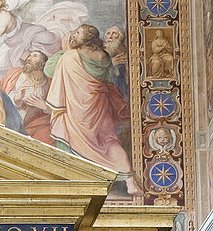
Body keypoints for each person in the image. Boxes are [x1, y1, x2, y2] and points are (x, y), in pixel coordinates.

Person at [45, 24, 141, 194]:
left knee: (67, 140)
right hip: (99, 110)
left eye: (78, 33)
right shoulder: (103, 56)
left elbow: (49, 70)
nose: (73, 35)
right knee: (110, 141)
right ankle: (130, 182)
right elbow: (108, 75)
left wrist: (64, 51)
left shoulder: (69, 57)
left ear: (87, 38)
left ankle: (69, 183)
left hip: (75, 113)